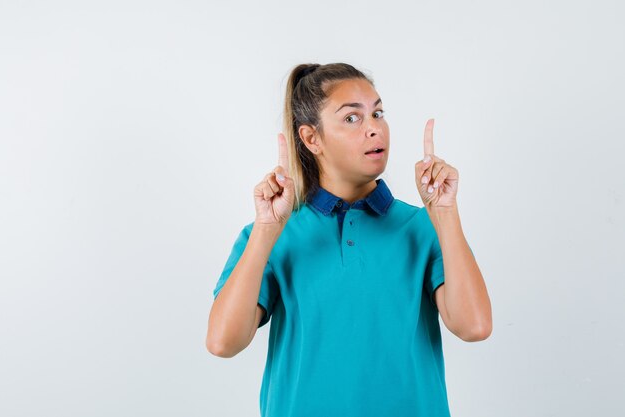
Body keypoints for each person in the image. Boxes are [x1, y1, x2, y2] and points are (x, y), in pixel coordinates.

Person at [206, 62, 492, 417]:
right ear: (312, 139)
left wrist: (445, 212)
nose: (375, 129)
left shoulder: (423, 227)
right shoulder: (269, 234)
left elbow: (475, 327)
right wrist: (266, 229)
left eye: (378, 113)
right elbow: (222, 343)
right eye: (352, 118)